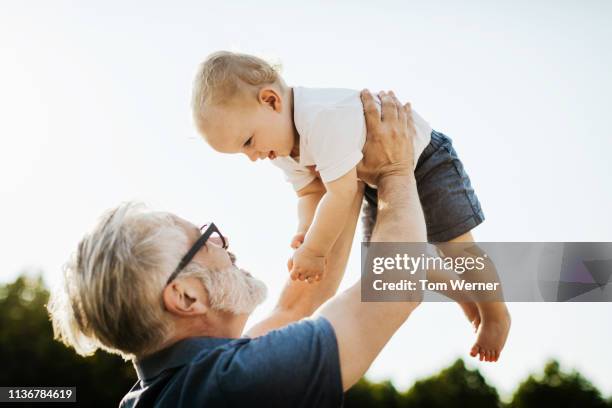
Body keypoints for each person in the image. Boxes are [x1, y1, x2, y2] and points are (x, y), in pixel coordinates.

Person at [49, 91, 432, 407]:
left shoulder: (171, 389)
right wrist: (395, 171)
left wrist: (340, 178)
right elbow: (396, 289)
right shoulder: (232, 387)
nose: (223, 243)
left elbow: (295, 307)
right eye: (205, 239)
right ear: (185, 296)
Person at [190, 51, 510, 360]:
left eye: (248, 142)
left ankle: (496, 314)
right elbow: (310, 194)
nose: (254, 156)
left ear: (271, 101)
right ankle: (463, 291)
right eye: (242, 153)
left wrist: (315, 251)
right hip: (375, 180)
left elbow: (340, 195)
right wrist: (307, 230)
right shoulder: (282, 146)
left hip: (425, 159)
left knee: (458, 248)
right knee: (388, 268)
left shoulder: (321, 118)